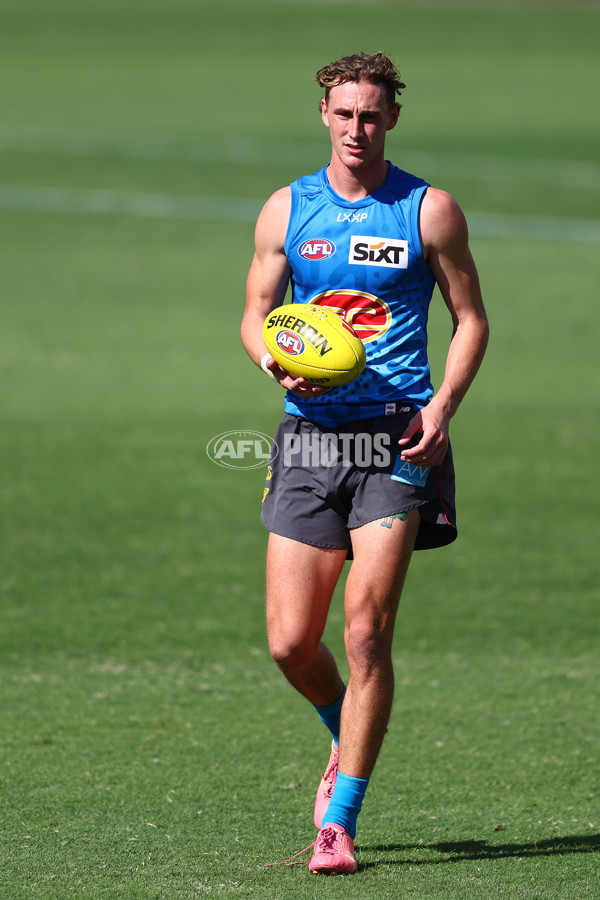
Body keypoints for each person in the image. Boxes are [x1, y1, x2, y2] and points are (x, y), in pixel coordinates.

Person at [241, 51, 489, 875]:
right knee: (288, 644)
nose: (358, 128)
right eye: (344, 114)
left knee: (366, 630)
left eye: (372, 115)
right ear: (324, 114)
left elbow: (470, 320)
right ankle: (345, 730)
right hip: (310, 436)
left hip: (396, 441)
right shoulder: (287, 208)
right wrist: (270, 361)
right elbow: (255, 313)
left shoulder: (429, 209)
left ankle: (339, 823)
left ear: (392, 118)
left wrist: (442, 407)